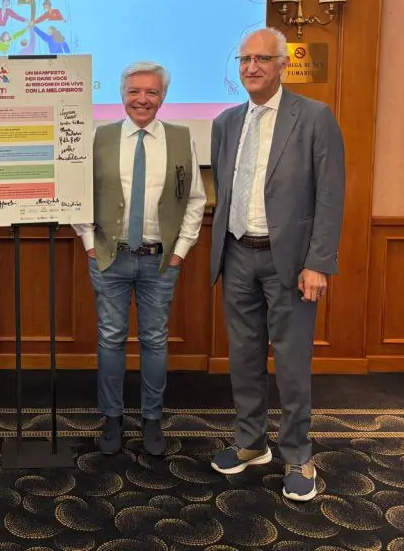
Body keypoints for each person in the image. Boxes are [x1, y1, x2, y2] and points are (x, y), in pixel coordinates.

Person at [208, 26, 345, 502]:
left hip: (290, 262)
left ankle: (298, 455)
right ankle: (250, 443)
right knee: (244, 357)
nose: (252, 67)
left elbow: (330, 195)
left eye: (262, 59)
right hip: (237, 254)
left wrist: (318, 263)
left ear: (283, 65)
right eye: (245, 60)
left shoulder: (314, 117)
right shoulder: (225, 122)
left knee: (291, 362)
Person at [73, 61, 207, 457]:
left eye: (151, 92)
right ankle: (112, 417)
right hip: (109, 258)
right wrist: (89, 243)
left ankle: (151, 418)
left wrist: (180, 251)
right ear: (122, 95)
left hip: (160, 261)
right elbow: (79, 193)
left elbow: (195, 199)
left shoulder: (182, 138)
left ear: (163, 97)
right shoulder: (100, 137)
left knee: (154, 339)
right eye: (134, 91)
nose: (142, 99)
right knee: (111, 338)